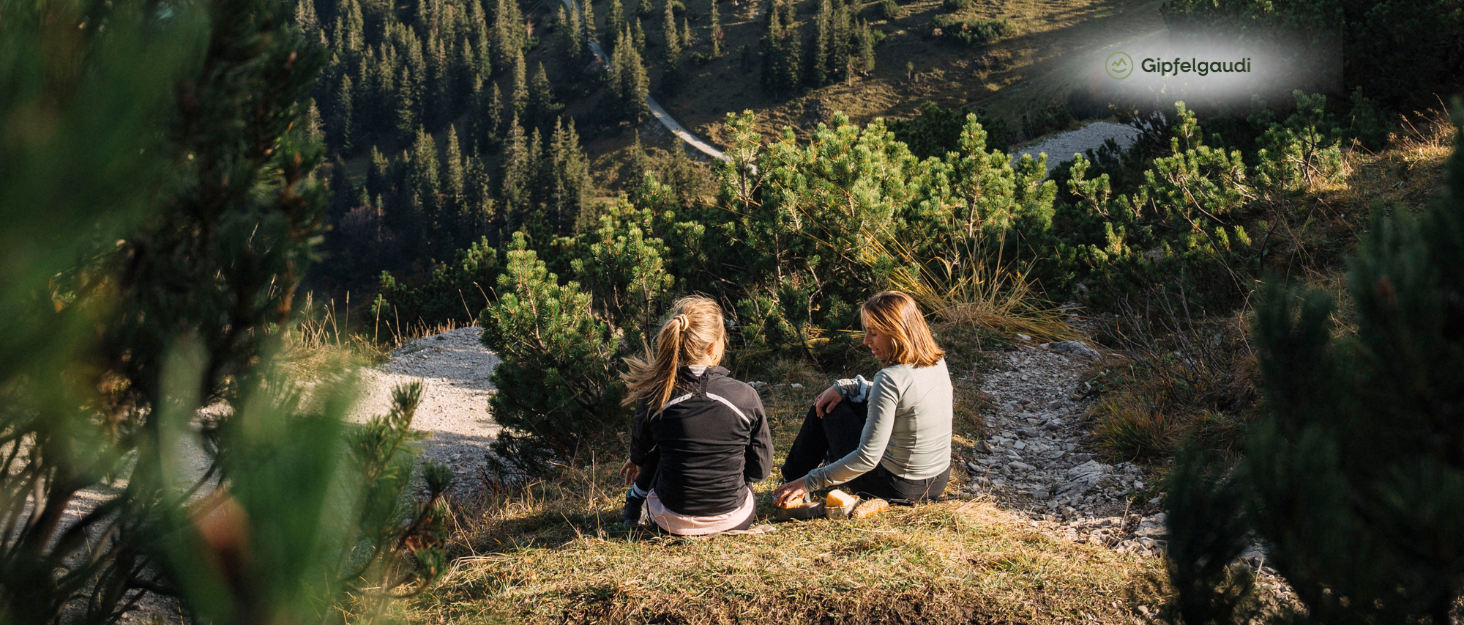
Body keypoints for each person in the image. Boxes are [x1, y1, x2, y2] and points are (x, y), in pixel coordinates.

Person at [772, 291, 953, 507]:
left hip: (896, 487)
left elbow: (867, 458)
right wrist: (850, 386)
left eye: (873, 333)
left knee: (829, 408)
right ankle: (823, 467)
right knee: (848, 400)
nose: (866, 340)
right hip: (937, 481)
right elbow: (902, 397)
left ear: (896, 333)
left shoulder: (889, 379)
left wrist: (809, 481)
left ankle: (793, 481)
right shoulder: (936, 361)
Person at [619, 296, 773, 535]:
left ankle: (634, 502)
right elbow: (760, 471)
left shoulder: (655, 396)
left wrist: (637, 459)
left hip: (668, 521)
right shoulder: (745, 396)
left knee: (661, 445)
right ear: (712, 347)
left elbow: (641, 450)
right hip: (734, 518)